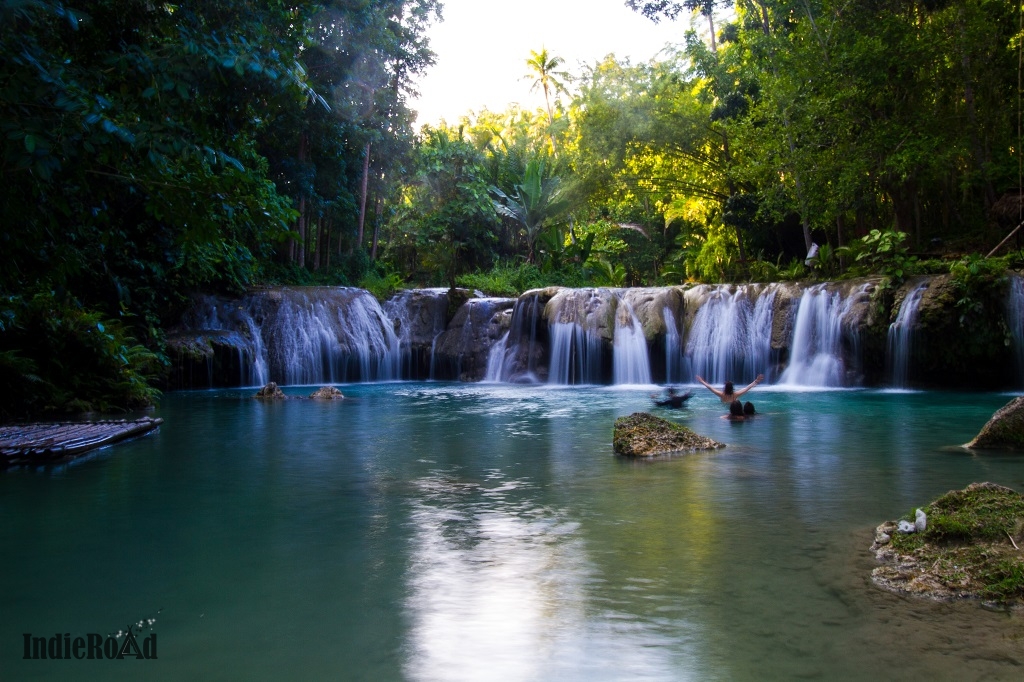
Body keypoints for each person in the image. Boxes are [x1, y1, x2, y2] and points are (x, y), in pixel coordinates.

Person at [695, 373, 764, 403]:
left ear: (725, 388)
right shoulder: (735, 395)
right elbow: (747, 388)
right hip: (734, 409)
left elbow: (710, 388)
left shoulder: (721, 395)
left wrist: (701, 381)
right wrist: (756, 381)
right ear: (732, 388)